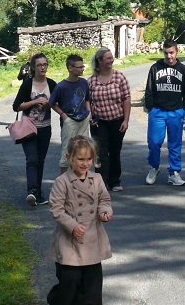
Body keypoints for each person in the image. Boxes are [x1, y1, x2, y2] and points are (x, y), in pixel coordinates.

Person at [47, 135, 112, 305]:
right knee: (70, 280)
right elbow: (56, 208)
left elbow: (104, 200)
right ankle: (57, 299)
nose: (85, 163)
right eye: (80, 159)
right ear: (69, 158)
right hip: (69, 239)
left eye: (89, 159)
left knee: (93, 283)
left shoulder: (96, 179)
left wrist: (105, 211)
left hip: (92, 236)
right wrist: (72, 225)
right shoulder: (62, 182)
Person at [144, 39, 185, 187]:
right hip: (157, 111)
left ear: (176, 52)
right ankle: (154, 167)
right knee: (154, 142)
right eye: (166, 53)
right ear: (163, 52)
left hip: (176, 112)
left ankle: (174, 173)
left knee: (175, 144)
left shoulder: (183, 69)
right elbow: (149, 90)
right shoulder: (155, 68)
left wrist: (184, 109)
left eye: (171, 53)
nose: (169, 56)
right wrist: (151, 108)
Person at [12, 52, 56, 206]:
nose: (42, 67)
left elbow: (57, 104)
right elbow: (16, 106)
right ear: (33, 67)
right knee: (32, 159)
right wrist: (34, 102)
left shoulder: (51, 84)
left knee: (41, 161)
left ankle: (38, 192)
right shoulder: (27, 84)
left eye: (45, 64)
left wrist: (49, 104)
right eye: (39, 65)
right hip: (28, 128)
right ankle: (31, 191)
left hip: (45, 128)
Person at [88, 47, 131, 192]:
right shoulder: (91, 81)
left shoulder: (119, 77)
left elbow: (126, 99)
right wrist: (90, 117)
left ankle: (115, 181)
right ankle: (101, 183)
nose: (111, 60)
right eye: (108, 58)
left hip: (117, 120)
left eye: (111, 57)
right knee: (100, 153)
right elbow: (87, 101)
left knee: (114, 151)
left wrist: (126, 120)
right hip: (99, 123)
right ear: (99, 61)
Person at [49, 54, 92, 175]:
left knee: (84, 151)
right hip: (69, 121)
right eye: (79, 67)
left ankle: (82, 180)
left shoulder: (83, 82)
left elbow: (87, 99)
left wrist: (89, 113)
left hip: (83, 119)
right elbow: (52, 103)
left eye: (82, 66)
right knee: (67, 152)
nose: (82, 69)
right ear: (70, 68)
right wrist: (63, 115)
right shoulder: (61, 86)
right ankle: (63, 184)